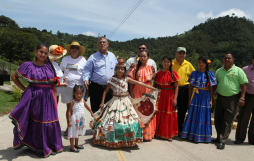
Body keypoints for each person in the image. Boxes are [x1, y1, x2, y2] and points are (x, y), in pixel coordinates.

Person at [9, 43, 63, 157]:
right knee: (38, 120)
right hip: (35, 96)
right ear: (35, 51)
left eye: (45, 53)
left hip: (48, 96)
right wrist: (24, 89)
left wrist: (54, 97)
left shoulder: (49, 65)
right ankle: (38, 146)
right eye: (41, 52)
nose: (43, 55)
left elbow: (53, 83)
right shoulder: (28, 65)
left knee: (50, 120)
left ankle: (50, 144)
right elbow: (14, 77)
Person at [91, 57, 156, 148]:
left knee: (131, 121)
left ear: (124, 70)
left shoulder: (127, 79)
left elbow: (139, 83)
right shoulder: (112, 79)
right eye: (118, 68)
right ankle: (110, 139)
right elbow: (105, 91)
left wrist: (151, 88)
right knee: (110, 122)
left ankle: (127, 139)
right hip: (114, 102)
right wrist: (102, 102)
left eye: (122, 69)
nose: (120, 70)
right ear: (115, 70)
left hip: (126, 102)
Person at [213, 53, 248, 150]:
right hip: (220, 97)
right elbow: (215, 84)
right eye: (225, 58)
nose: (227, 60)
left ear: (233, 59)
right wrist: (213, 96)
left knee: (227, 120)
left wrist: (242, 97)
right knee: (218, 118)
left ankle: (222, 141)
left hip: (232, 99)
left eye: (229, 58)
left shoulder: (238, 71)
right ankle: (219, 137)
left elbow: (244, 85)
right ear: (223, 59)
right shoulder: (219, 71)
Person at [181, 56, 217, 142]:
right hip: (196, 96)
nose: (201, 64)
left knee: (203, 115)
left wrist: (211, 100)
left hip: (206, 96)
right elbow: (190, 87)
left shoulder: (210, 74)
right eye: (199, 62)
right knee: (193, 114)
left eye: (203, 62)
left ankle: (202, 136)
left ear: (206, 64)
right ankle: (191, 134)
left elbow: (212, 88)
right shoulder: (194, 73)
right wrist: (189, 99)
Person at [83, 37, 118, 113]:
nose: (102, 44)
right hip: (96, 88)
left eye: (104, 42)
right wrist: (85, 79)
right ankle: (96, 125)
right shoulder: (93, 57)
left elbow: (118, 67)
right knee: (96, 111)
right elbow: (87, 69)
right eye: (100, 42)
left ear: (107, 44)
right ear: (98, 45)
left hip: (109, 88)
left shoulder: (112, 56)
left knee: (109, 111)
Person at [128, 50, 156, 141]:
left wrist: (152, 94)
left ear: (148, 57)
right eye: (141, 56)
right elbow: (131, 83)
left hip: (147, 91)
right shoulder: (135, 68)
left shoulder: (150, 68)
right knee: (137, 111)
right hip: (137, 92)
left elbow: (151, 82)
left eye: (145, 56)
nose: (143, 58)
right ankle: (137, 133)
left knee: (147, 110)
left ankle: (147, 134)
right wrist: (131, 93)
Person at [60, 41, 87, 136]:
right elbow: (61, 72)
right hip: (67, 87)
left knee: (78, 108)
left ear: (79, 50)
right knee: (69, 108)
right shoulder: (65, 59)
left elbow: (86, 73)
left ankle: (77, 128)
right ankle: (69, 127)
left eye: (76, 48)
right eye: (73, 48)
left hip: (79, 88)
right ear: (70, 49)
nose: (74, 49)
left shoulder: (83, 60)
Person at [154, 56, 179, 141]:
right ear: (162, 62)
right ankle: (158, 132)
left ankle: (168, 133)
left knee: (168, 114)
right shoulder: (158, 73)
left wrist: (175, 98)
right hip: (160, 95)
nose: (166, 63)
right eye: (164, 61)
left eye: (168, 61)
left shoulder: (173, 73)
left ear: (170, 63)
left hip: (169, 96)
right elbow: (155, 86)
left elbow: (176, 87)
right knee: (159, 113)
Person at [172, 47, 195, 135]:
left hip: (185, 89)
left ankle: (180, 128)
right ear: (176, 54)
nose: (181, 55)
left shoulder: (188, 64)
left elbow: (194, 75)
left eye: (183, 53)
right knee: (172, 109)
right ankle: (172, 128)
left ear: (185, 54)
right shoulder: (172, 63)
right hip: (173, 89)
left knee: (182, 110)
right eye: (180, 53)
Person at [67, 85, 94, 152]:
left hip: (81, 119)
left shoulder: (83, 101)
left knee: (77, 132)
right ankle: (72, 147)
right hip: (74, 120)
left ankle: (76, 145)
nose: (78, 95)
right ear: (74, 93)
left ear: (82, 94)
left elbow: (87, 107)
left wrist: (91, 112)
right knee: (73, 133)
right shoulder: (72, 102)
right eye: (77, 93)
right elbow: (69, 112)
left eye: (80, 94)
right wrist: (69, 121)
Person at [235, 55, 254, 145]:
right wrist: (241, 96)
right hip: (248, 96)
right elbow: (239, 82)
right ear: (252, 60)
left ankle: (252, 139)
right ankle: (240, 138)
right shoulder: (245, 69)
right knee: (243, 118)